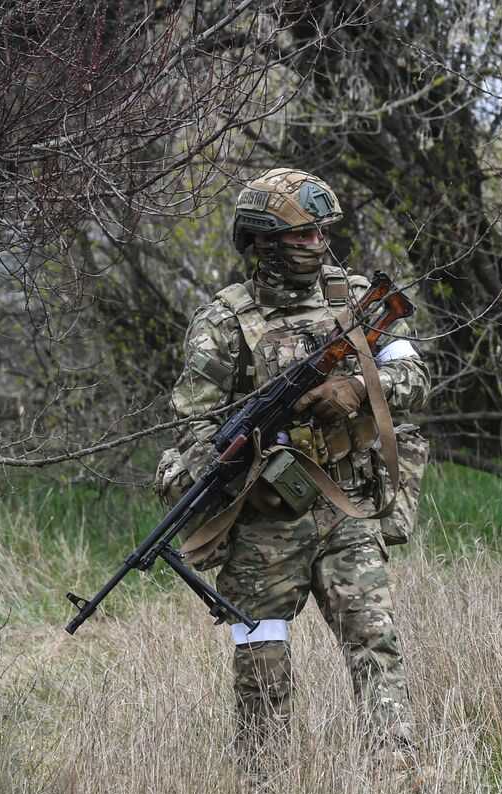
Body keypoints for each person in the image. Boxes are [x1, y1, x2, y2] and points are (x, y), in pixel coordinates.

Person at [155, 168, 430, 764]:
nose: (317, 244)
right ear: (262, 240)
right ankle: (265, 790)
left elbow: (417, 378)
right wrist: (250, 467)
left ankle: (399, 775)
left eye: (322, 233)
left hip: (344, 504)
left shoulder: (359, 301)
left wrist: (359, 386)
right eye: (301, 235)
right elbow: (193, 427)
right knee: (261, 658)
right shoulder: (223, 323)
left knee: (375, 643)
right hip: (264, 523)